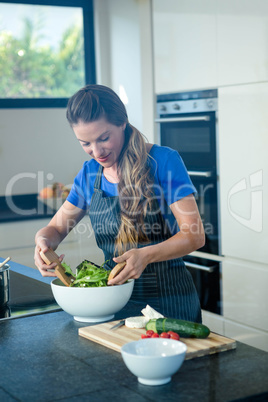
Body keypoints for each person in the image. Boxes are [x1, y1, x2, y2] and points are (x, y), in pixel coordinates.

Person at [34, 84, 205, 322]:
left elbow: (194, 235)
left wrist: (145, 255)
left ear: (122, 122)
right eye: (85, 143)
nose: (96, 151)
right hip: (110, 304)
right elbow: (56, 229)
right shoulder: (90, 174)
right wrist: (43, 242)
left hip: (169, 303)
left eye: (104, 138)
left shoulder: (163, 161)